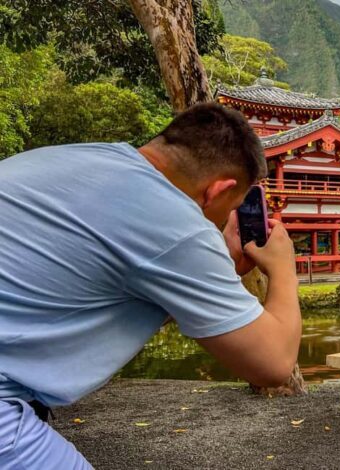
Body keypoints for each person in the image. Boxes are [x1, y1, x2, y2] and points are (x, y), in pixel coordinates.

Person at [0, 103, 302, 468]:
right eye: (232, 207)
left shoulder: (76, 158)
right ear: (218, 190)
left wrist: (224, 271)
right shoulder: (177, 222)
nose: (224, 220)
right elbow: (273, 363)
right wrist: (284, 268)